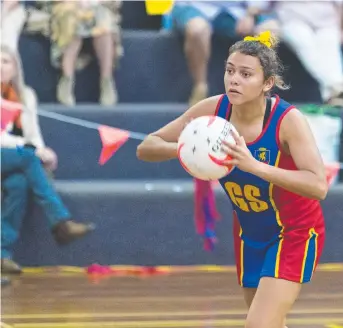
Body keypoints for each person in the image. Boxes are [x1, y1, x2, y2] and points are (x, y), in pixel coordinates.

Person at [136, 31, 327, 328]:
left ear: (267, 84)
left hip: (294, 233)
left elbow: (318, 186)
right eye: (229, 70)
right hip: (250, 233)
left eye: (245, 74)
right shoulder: (214, 110)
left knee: (258, 324)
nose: (233, 79)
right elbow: (146, 147)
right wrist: (189, 149)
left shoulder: (288, 121)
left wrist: (255, 166)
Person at [1, 45, 94, 275]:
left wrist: (42, 150)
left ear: (15, 68)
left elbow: (33, 133)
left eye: (5, 61)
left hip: (15, 158)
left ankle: (2, 254)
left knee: (19, 185)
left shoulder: (26, 95)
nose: (0, 67)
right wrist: (31, 150)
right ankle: (60, 222)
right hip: (13, 153)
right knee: (29, 158)